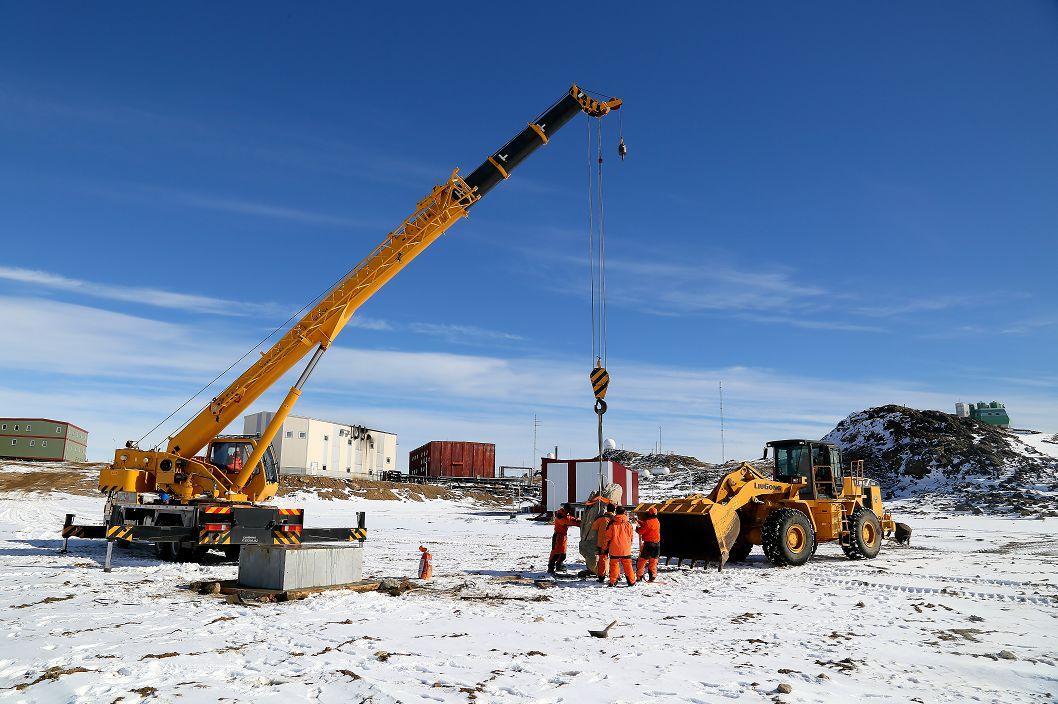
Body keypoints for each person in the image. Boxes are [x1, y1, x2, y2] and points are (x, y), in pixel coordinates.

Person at [605, 506, 636, 587]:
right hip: (626, 548)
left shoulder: (612, 523)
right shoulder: (628, 523)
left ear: (616, 512)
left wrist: (605, 546)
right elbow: (631, 536)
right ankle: (631, 581)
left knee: (614, 565)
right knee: (628, 565)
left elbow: (608, 537)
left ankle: (613, 581)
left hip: (614, 548)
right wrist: (629, 544)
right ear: (624, 512)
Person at [548, 505, 580, 574]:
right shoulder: (560, 515)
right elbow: (567, 521)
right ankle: (550, 567)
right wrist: (578, 523)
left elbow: (570, 518)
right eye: (569, 510)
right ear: (566, 509)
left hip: (563, 536)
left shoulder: (564, 514)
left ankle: (559, 565)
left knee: (563, 553)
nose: (569, 512)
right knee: (555, 553)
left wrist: (577, 520)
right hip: (558, 536)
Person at [590, 505, 616, 583]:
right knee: (615, 561)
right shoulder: (616, 519)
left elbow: (593, 528)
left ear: (607, 509)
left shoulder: (601, 519)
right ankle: (615, 576)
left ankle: (601, 577)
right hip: (613, 543)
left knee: (602, 560)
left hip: (602, 543)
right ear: (614, 510)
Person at [636, 506, 661, 582]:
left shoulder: (648, 522)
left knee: (642, 561)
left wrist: (637, 528)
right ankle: (652, 575)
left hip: (648, 544)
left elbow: (641, 531)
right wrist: (639, 521)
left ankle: (639, 576)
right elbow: (648, 526)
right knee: (653, 561)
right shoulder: (657, 521)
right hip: (657, 544)